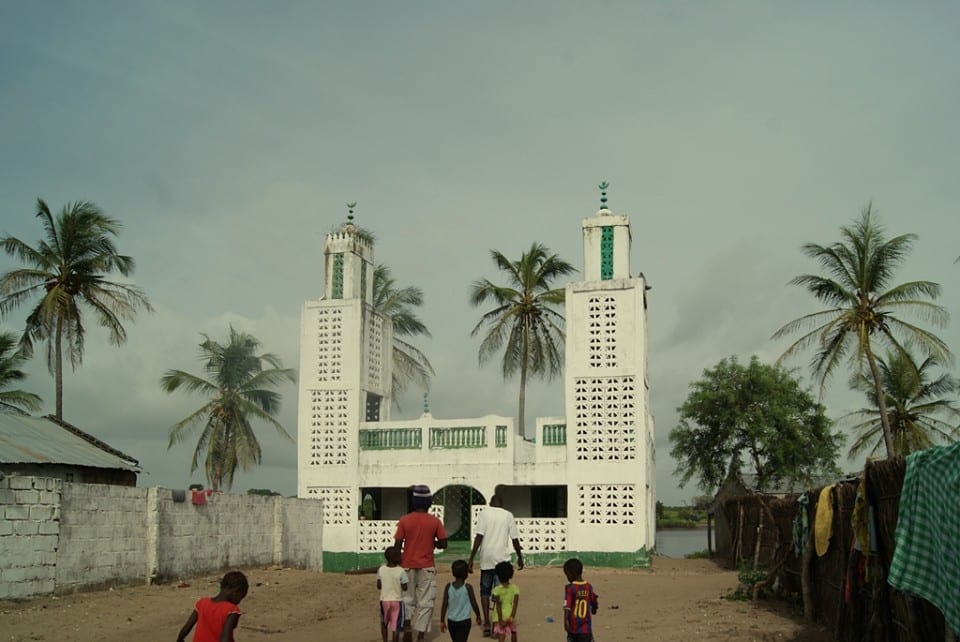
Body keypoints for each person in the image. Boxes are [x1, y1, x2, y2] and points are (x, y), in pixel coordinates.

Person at [394, 484, 448, 642]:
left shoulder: (404, 520)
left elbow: (397, 545)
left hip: (407, 565)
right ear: (429, 503)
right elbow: (444, 543)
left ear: (413, 502)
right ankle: (421, 635)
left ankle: (408, 625)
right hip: (427, 566)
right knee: (426, 602)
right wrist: (433, 543)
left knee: (407, 599)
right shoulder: (435, 522)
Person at [467, 494, 524, 636]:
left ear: (490, 503)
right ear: (502, 504)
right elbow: (515, 538)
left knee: (485, 592)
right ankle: (496, 625)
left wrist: (471, 558)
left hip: (486, 558)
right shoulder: (508, 515)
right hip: (501, 560)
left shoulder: (484, 514)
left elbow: (479, 537)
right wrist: (520, 557)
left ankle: (486, 623)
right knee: (500, 593)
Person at [176, 570, 248, 642]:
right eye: (241, 597)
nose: (239, 602)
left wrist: (180, 639)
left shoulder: (202, 603)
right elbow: (225, 638)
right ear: (236, 592)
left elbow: (186, 628)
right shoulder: (231, 610)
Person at [439, 560, 482, 642]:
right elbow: (474, 603)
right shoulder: (468, 587)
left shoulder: (448, 587)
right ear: (466, 574)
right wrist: (478, 615)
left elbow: (444, 604)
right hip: (464, 621)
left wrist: (442, 620)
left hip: (451, 621)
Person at [562, 558, 599, 642]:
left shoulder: (570, 588)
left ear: (571, 574)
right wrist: (594, 608)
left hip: (573, 628)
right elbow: (594, 600)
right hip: (585, 629)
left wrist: (566, 621)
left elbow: (567, 607)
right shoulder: (588, 587)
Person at [378, 546, 410, 642]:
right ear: (396, 558)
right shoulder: (401, 571)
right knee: (396, 626)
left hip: (384, 600)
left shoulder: (381, 569)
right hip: (397, 601)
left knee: (384, 623)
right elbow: (405, 588)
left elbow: (379, 585)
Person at [490, 561, 519, 642]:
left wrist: (500, 619)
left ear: (498, 575)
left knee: (502, 634)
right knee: (513, 632)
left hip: (501, 615)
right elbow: (515, 604)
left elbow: (498, 606)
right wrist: (512, 616)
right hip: (510, 613)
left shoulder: (497, 590)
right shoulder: (515, 588)